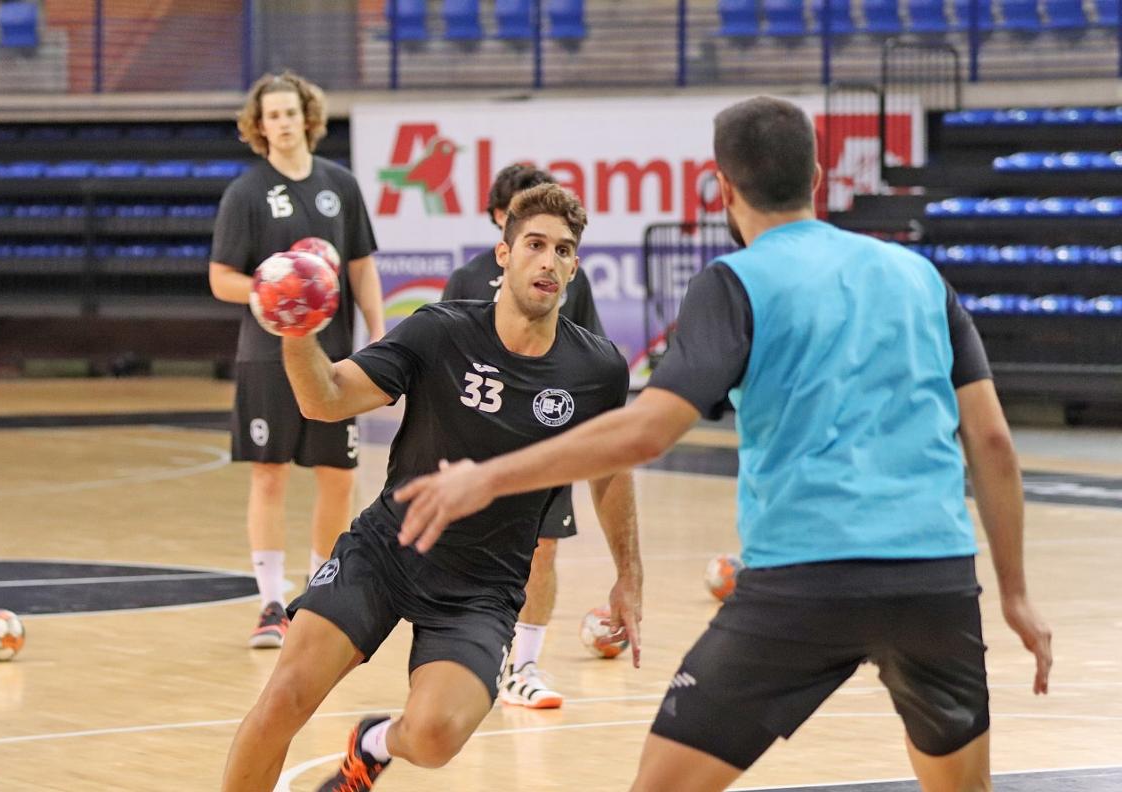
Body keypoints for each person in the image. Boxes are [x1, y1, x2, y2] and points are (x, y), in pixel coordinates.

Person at [395, 96, 1053, 791]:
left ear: (724, 188)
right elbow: (991, 441)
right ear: (819, 177)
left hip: (804, 583)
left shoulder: (735, 281)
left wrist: (489, 476)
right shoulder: (919, 276)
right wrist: (1014, 594)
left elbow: (647, 431)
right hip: (934, 580)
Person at [220, 183, 643, 792]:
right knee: (284, 698)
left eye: (564, 250)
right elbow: (325, 398)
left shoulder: (597, 369)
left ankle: (374, 742)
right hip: (385, 553)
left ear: (576, 266)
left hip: (482, 587)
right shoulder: (438, 333)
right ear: (504, 254)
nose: (549, 261)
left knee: (436, 737)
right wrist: (296, 329)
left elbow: (610, 471)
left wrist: (630, 575)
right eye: (535, 244)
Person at [209, 71, 385, 649]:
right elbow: (220, 279)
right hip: (268, 354)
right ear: (259, 127)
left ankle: (319, 591)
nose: (283, 123)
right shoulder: (246, 192)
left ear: (308, 117)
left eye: (291, 112)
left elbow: (360, 265)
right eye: (272, 115)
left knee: (339, 476)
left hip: (333, 356)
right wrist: (274, 285)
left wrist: (379, 334)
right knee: (270, 473)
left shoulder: (341, 185)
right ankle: (269, 603)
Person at [439, 163, 606, 709]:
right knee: (469, 555)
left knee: (544, 550)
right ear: (500, 225)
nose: (547, 256)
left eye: (559, 245)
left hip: (546, 441)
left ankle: (525, 664)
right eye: (528, 231)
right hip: (478, 450)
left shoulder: (561, 279)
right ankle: (467, 657)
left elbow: (591, 357)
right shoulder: (465, 281)